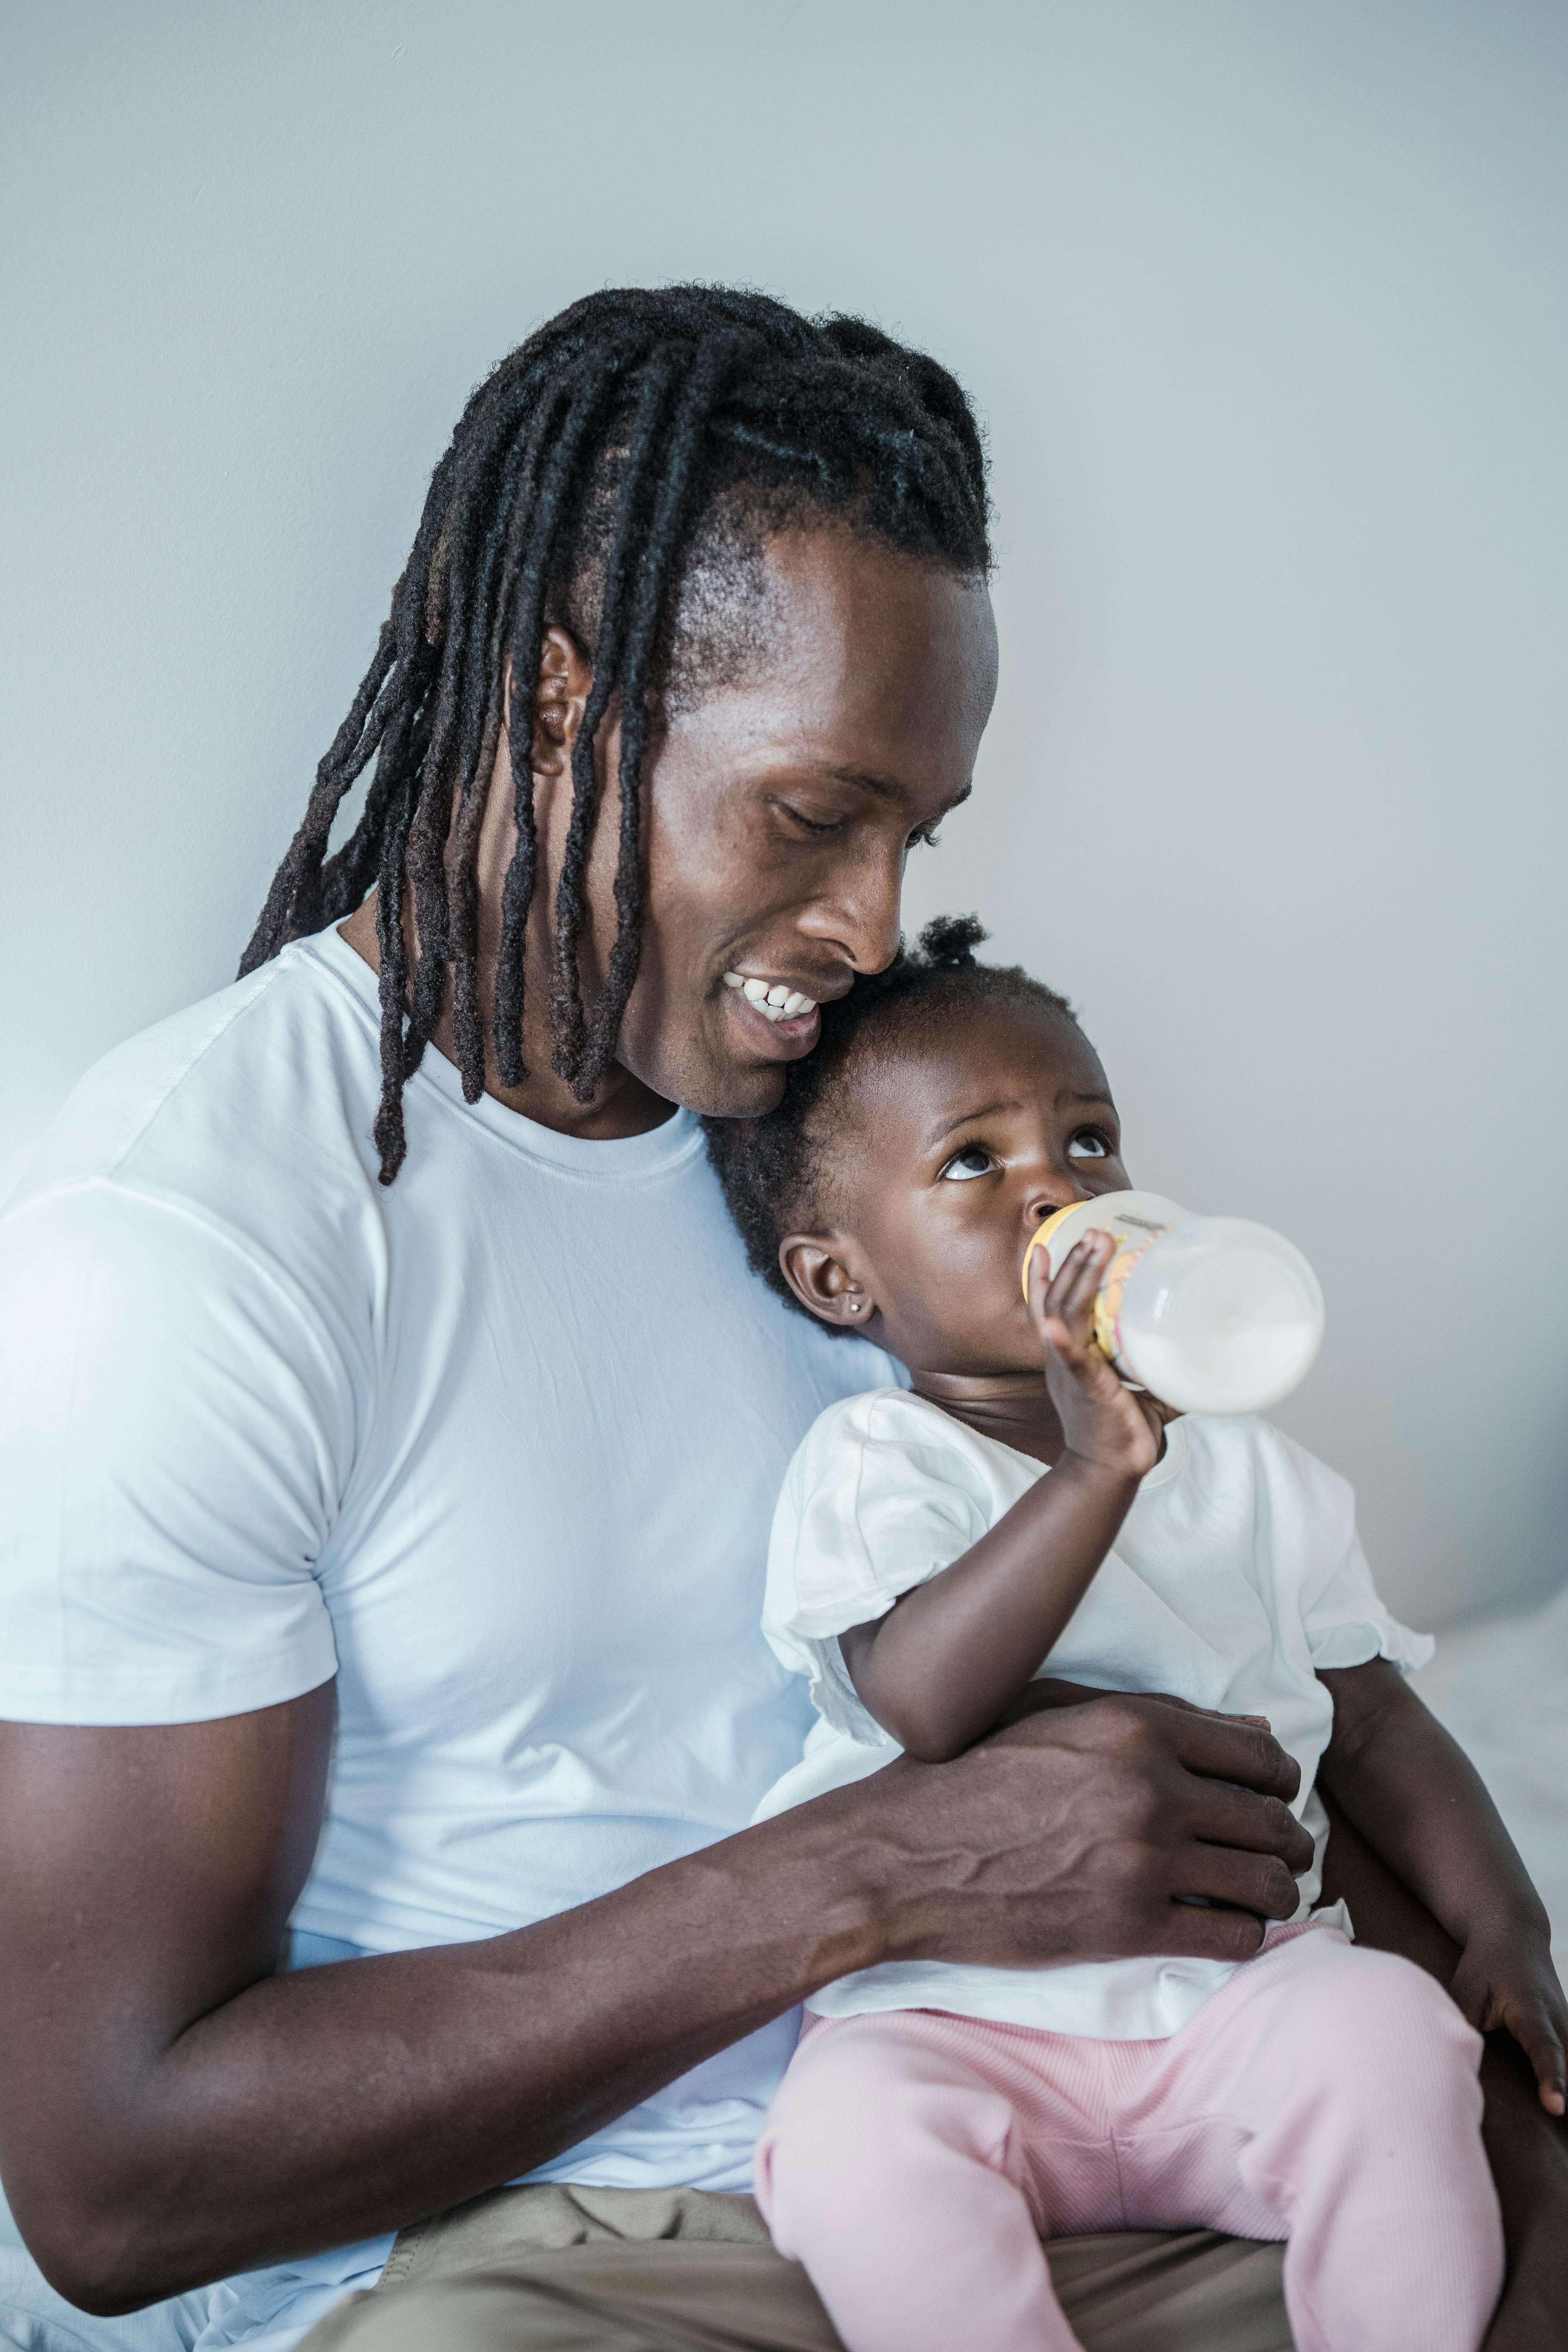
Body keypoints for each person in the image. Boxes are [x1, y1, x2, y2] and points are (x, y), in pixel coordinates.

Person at [0, 287, 1560, 2352]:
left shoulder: (874, 1147)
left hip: (1067, 2134)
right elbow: (112, 2180)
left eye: (914, 839)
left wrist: (1486, 2072)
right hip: (533, 2251)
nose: (870, 935)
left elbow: (1218, 1626)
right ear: (561, 703)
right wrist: (873, 1873)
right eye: (815, 819)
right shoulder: (201, 1242)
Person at [703, 915, 1568, 2352]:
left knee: (1392, 2038)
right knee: (847, 2142)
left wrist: (1508, 1929)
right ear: (840, 1282)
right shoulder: (881, 1462)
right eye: (974, 1161)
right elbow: (920, 1704)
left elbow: (1375, 1722)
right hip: (951, 2022)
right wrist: (1098, 1467)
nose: (1057, 1191)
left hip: (1237, 2004)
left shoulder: (1251, 1472)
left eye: (1089, 1140)